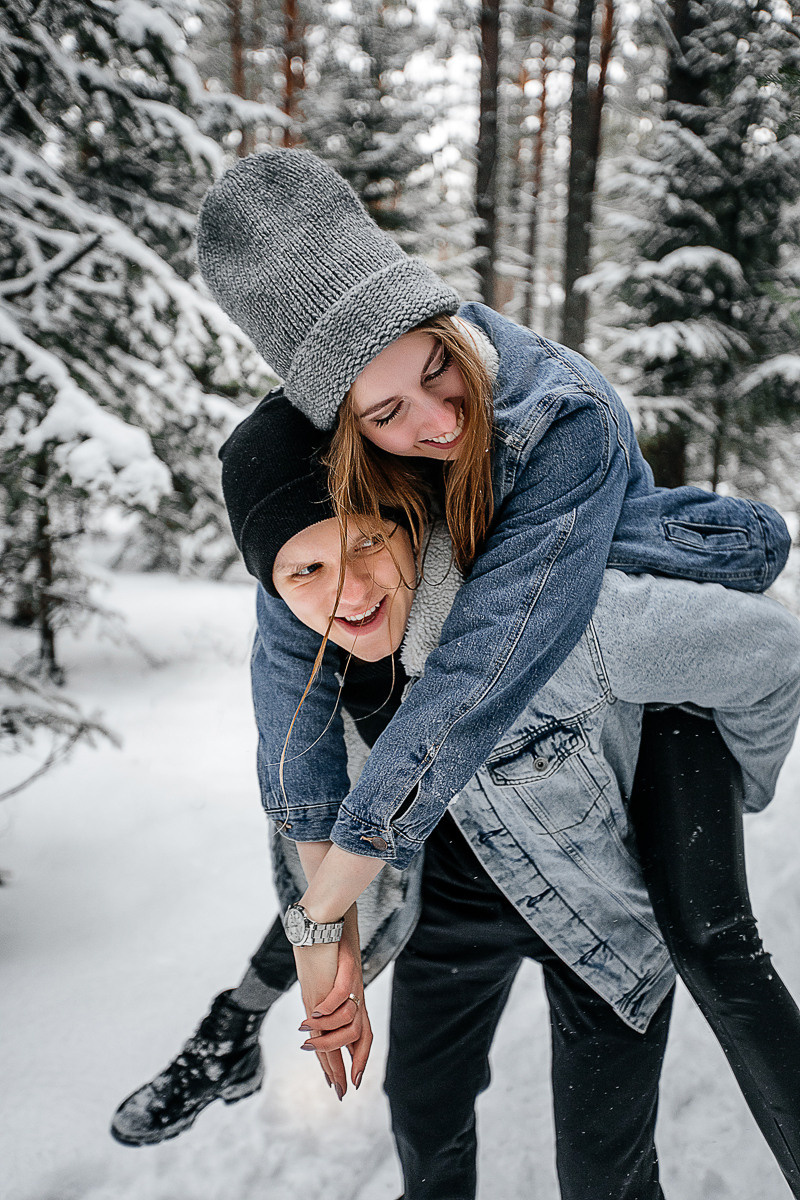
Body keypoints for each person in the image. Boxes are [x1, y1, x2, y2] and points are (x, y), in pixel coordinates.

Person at [195, 150, 800, 1193]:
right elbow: (285, 677)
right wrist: (316, 922)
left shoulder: (560, 416)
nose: (433, 422)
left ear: (440, 315)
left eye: (436, 368)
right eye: (384, 415)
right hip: (469, 852)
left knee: (713, 948)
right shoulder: (334, 507)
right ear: (343, 433)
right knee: (425, 1126)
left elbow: (498, 651)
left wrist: (729, 775)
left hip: (634, 691)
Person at [113, 393, 800, 1200]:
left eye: (369, 540)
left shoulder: (561, 623)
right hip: (443, 918)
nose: (351, 591)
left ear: (409, 520)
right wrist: (288, 981)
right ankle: (225, 1032)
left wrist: (733, 788)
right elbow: (324, 862)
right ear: (273, 590)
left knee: (601, 1177)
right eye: (308, 570)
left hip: (602, 916)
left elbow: (771, 656)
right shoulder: (308, 687)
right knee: (422, 1127)